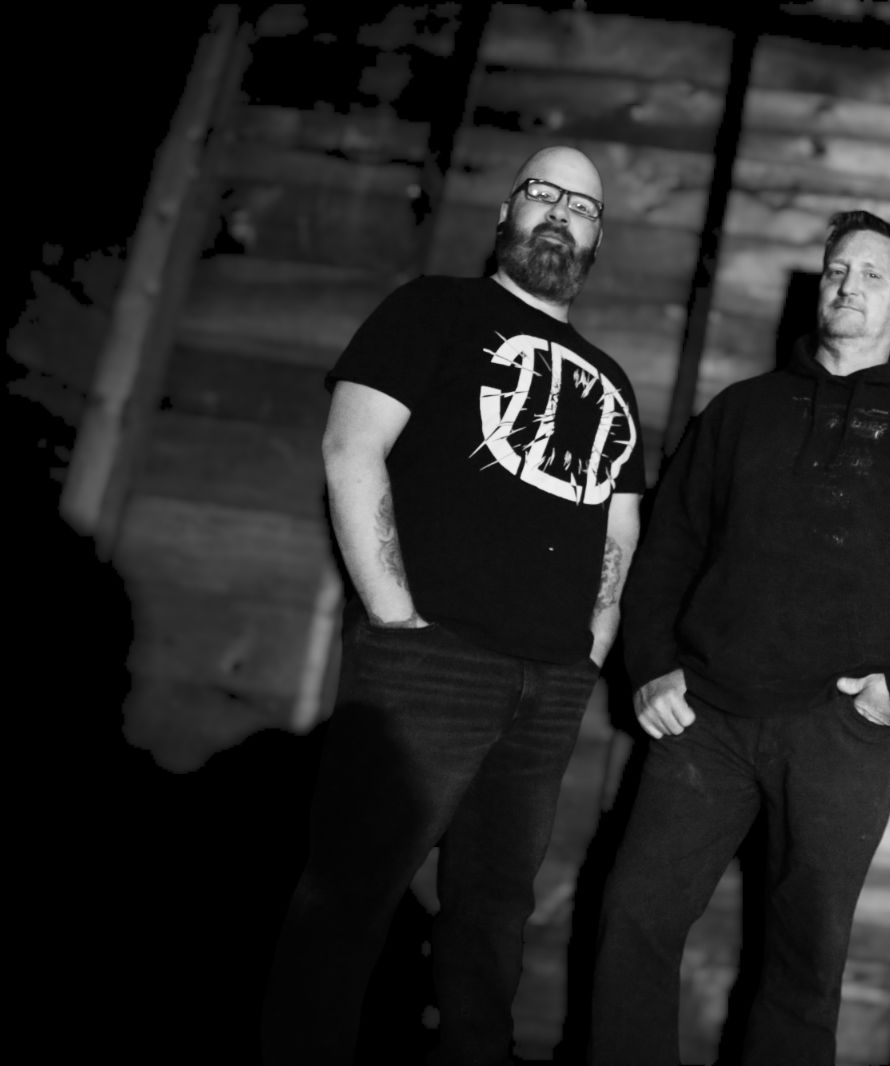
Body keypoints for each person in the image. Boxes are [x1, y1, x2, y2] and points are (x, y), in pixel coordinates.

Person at [589, 211, 890, 1066]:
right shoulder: (741, 411)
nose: (847, 287)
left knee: (804, 960)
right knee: (631, 920)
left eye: (869, 275)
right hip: (703, 718)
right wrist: (651, 668)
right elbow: (666, 548)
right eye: (834, 272)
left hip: (842, 733)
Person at [261, 145, 644, 1065]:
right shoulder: (431, 308)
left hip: (549, 683)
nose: (559, 213)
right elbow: (350, 450)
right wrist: (394, 617)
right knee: (350, 899)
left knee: (492, 925)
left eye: (581, 206)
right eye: (542, 193)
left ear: (595, 240)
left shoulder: (613, 378)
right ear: (505, 211)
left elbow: (619, 527)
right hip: (427, 658)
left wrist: (588, 648)